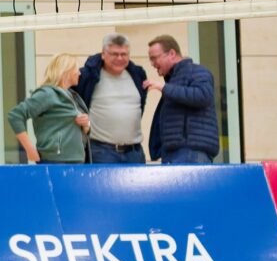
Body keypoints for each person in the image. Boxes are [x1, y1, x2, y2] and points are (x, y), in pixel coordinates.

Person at [72, 34, 151, 164]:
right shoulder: (88, 76)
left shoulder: (138, 75)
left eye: (124, 54)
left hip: (134, 152)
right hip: (101, 152)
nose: (119, 58)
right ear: (103, 54)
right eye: (114, 54)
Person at [142, 36, 218, 165]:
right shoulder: (174, 79)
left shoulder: (197, 72)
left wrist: (164, 87)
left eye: (154, 58)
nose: (152, 63)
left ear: (172, 54)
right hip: (176, 153)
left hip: (190, 153)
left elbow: (203, 96)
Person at [8, 53, 89, 164]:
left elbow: (81, 130)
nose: (79, 73)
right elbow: (15, 115)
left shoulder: (73, 96)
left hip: (76, 161)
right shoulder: (47, 94)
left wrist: (86, 125)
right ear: (66, 70)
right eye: (76, 69)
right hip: (54, 162)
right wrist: (29, 149)